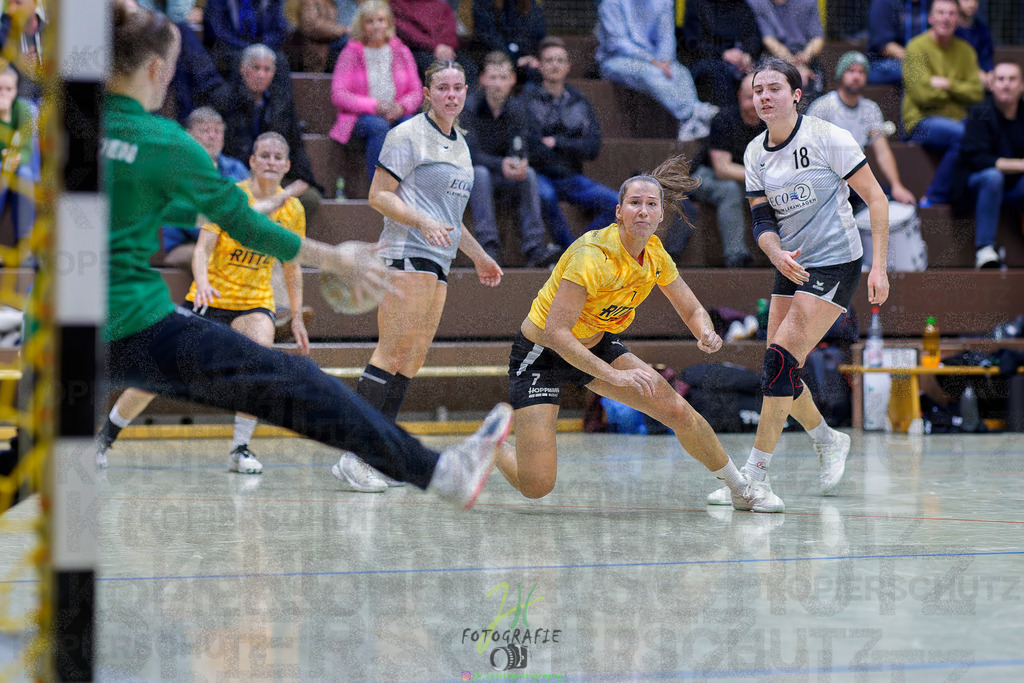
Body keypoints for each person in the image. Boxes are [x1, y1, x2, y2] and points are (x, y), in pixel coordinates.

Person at [103, 2, 512, 509]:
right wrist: (336, 259)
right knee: (293, 382)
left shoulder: (64, 120)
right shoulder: (164, 142)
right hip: (132, 324)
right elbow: (245, 222)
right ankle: (438, 473)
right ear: (155, 70)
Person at [491, 154, 768, 510]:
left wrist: (705, 332)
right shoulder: (590, 255)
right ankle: (493, 446)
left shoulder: (654, 254)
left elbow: (691, 307)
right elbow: (557, 333)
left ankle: (739, 489)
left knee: (677, 410)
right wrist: (612, 377)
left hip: (597, 343)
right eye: (634, 203)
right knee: (537, 486)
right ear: (619, 211)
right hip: (542, 354)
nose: (642, 211)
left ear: (660, 214)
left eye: (651, 204)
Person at [706, 58, 891, 511]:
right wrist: (773, 253)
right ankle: (828, 440)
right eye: (756, 90)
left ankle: (754, 478)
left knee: (779, 362)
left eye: (773, 88)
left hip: (837, 262)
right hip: (789, 262)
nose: (763, 96)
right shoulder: (753, 153)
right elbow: (762, 218)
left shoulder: (828, 138)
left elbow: (876, 198)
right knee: (780, 369)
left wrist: (880, 268)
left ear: (795, 94)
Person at [332, 59, 504, 492]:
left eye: (458, 87)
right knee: (390, 353)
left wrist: (480, 256)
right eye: (442, 87)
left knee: (411, 361)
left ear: (466, 92)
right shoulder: (406, 135)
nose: (451, 94)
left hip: (440, 262)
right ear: (427, 93)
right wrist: (420, 220)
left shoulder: (461, 144)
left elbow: (451, 218)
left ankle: (380, 453)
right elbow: (379, 196)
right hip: (405, 253)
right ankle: (354, 454)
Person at [98, 131, 309, 473]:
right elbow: (202, 250)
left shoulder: (294, 210)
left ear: (286, 165)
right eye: (264, 156)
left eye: (277, 157)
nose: (270, 162)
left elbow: (292, 265)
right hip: (210, 297)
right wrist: (206, 282)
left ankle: (240, 449)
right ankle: (105, 438)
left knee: (259, 362)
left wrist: (296, 314)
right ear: (252, 162)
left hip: (254, 302)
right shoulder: (232, 198)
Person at [463, 51, 561, 268]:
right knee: (479, 172)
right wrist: (501, 164)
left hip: (505, 175)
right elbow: (469, 154)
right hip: (474, 178)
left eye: (503, 78)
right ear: (483, 79)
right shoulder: (468, 107)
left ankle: (535, 249)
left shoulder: (517, 108)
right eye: (493, 77)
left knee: (529, 174)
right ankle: (488, 246)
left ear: (512, 80)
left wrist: (521, 161)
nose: (498, 84)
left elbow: (521, 144)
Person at [520, 37, 619, 249]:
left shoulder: (579, 101)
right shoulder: (527, 100)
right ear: (540, 65)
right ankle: (570, 252)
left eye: (559, 60)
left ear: (568, 67)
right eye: (549, 60)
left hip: (571, 177)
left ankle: (577, 250)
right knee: (544, 196)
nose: (554, 65)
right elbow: (533, 148)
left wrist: (556, 142)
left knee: (618, 205)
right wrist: (572, 147)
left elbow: (592, 148)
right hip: (540, 175)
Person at [211, 43, 325, 220]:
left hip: (273, 177)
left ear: (274, 72)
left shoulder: (282, 101)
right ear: (242, 69)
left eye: (267, 69)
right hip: (236, 177)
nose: (261, 75)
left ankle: (279, 244)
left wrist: (303, 179)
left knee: (310, 198)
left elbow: (295, 145)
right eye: (255, 68)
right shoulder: (223, 99)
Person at [329, 0, 423, 186]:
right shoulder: (350, 52)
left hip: (397, 112)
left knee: (409, 126)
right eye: (370, 21)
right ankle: (379, 189)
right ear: (361, 25)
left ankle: (408, 189)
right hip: (360, 118)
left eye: (381, 20)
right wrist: (375, 106)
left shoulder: (402, 51)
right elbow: (338, 94)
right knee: (379, 126)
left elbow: (416, 91)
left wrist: (400, 107)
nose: (376, 26)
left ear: (388, 22)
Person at [595, 0, 718, 142]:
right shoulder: (611, 3)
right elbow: (617, 43)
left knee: (680, 72)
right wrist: (651, 61)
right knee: (650, 73)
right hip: (617, 59)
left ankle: (692, 118)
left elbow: (666, 36)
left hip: (656, 60)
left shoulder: (663, 2)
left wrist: (665, 60)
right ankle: (692, 114)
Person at [807, 51, 917, 207]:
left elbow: (883, 152)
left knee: (886, 204)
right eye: (851, 71)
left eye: (861, 72)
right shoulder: (823, 106)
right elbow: (809, 149)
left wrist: (896, 186)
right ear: (841, 74)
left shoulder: (870, 109)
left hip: (856, 177)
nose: (856, 76)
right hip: (826, 179)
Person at [902, 0, 983, 207]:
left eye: (951, 13)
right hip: (920, 122)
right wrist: (959, 91)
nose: (946, 18)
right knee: (964, 136)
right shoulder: (916, 48)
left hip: (958, 121)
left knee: (981, 136)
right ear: (930, 18)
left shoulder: (966, 51)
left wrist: (947, 85)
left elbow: (976, 94)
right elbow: (922, 95)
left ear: (958, 19)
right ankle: (934, 196)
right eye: (941, 12)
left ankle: (966, 197)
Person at [682, 73, 762, 268]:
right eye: (749, 97)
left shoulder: (771, 124)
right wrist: (765, 179)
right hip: (703, 176)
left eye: (759, 96)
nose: (754, 103)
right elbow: (722, 169)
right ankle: (736, 256)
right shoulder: (724, 119)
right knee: (730, 189)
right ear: (739, 96)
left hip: (747, 179)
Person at [161, 106, 251, 273]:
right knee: (212, 258)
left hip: (228, 244)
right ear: (188, 136)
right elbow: (187, 224)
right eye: (205, 131)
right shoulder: (176, 173)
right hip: (184, 246)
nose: (212, 137)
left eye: (217, 131)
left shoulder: (237, 169)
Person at [953, 61, 1024, 269]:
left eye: (1012, 79)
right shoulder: (980, 112)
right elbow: (977, 158)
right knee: (993, 176)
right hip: (978, 186)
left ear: (1021, 85)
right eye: (1001, 79)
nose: (1006, 85)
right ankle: (985, 250)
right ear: (991, 84)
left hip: (1014, 189)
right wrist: (1020, 165)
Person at [677, 0, 763, 110]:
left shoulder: (741, 5)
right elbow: (693, 43)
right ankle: (727, 119)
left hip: (742, 56)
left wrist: (748, 54)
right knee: (718, 71)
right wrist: (722, 53)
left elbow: (753, 35)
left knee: (767, 69)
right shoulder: (696, 4)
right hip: (709, 56)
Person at [747, 0, 825, 96]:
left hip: (805, 58)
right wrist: (794, 67)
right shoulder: (758, 3)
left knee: (812, 82)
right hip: (772, 57)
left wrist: (806, 56)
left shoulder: (808, 2)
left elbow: (817, 38)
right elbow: (768, 40)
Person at [0, 66, 35, 252]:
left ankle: (24, 243)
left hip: (16, 163)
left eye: (9, 89)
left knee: (25, 173)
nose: (4, 94)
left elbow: (27, 149)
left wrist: (16, 157)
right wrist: (4, 117)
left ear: (16, 91)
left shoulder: (22, 109)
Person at [471, 0, 546, 80]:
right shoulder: (483, 4)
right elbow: (489, 37)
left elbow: (537, 35)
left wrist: (531, 57)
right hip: (494, 58)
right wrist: (516, 59)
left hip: (526, 60)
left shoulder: (530, 4)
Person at [866, 0, 928, 85]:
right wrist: (916, 60)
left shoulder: (933, 3)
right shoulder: (883, 2)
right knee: (915, 71)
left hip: (922, 61)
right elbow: (884, 46)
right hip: (886, 61)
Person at [284, 0, 349, 73]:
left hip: (328, 45)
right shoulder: (309, 2)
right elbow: (311, 25)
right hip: (311, 48)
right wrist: (343, 30)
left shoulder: (330, 2)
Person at [955, 0, 994, 90]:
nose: (972, 4)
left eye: (975, 1)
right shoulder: (950, 31)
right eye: (966, 0)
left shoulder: (983, 30)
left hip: (979, 81)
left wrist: (990, 73)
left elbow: (986, 57)